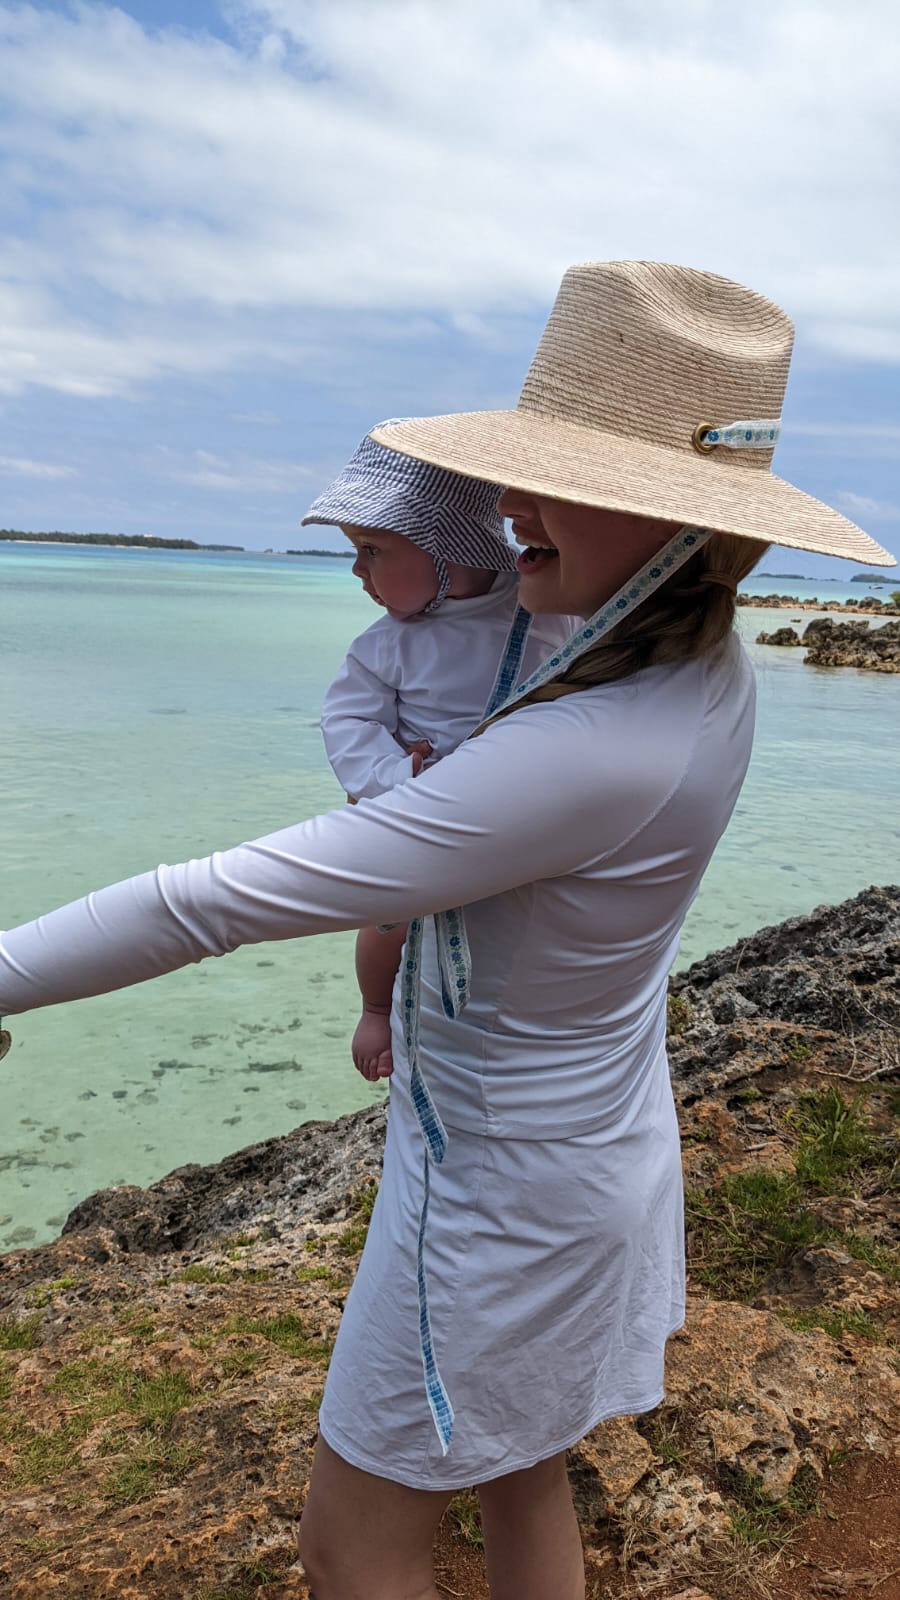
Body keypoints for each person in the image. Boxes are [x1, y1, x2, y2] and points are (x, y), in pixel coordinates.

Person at [0, 261, 892, 1600]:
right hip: (585, 1145)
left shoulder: (593, 748)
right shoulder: (671, 648)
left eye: (551, 477)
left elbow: (212, 901)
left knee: (353, 1536)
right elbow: (479, 620)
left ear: (676, 520)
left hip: (495, 1197)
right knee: (521, 1468)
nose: (504, 509)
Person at [303, 425, 577, 1080]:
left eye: (372, 548)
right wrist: (393, 776)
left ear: (447, 549)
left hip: (509, 810)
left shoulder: (543, 609)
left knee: (506, 919)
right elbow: (348, 719)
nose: (356, 570)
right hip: (419, 801)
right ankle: (375, 1007)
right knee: (388, 917)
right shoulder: (386, 643)